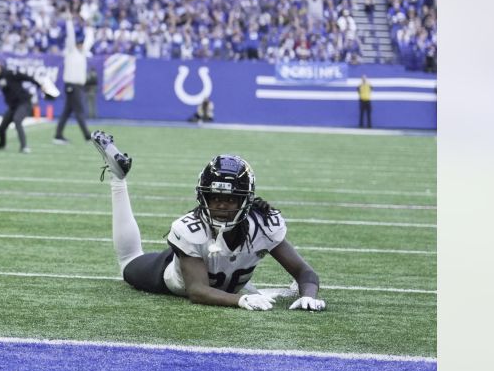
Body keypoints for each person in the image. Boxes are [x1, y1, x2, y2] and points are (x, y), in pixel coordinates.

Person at [91, 130, 326, 312]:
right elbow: (197, 291)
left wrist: (308, 296)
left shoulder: (263, 225)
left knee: (251, 290)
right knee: (128, 262)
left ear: (245, 200)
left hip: (226, 283)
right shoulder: (190, 229)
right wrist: (241, 300)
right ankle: (118, 178)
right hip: (172, 276)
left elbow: (306, 273)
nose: (221, 206)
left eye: (230, 199)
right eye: (214, 198)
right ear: (203, 197)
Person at [0, 57, 48, 154]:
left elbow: (26, 77)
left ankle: (24, 146)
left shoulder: (9, 73)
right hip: (13, 106)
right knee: (2, 127)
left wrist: (40, 85)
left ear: (0, 65)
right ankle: (1, 145)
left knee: (17, 120)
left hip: (24, 102)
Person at [53, 13, 94, 144]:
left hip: (78, 86)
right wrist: (69, 22)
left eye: (82, 43)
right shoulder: (71, 51)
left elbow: (90, 40)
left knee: (67, 111)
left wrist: (89, 27)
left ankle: (58, 135)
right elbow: (70, 37)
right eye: (80, 43)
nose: (82, 45)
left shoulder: (82, 54)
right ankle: (87, 136)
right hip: (71, 85)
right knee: (79, 111)